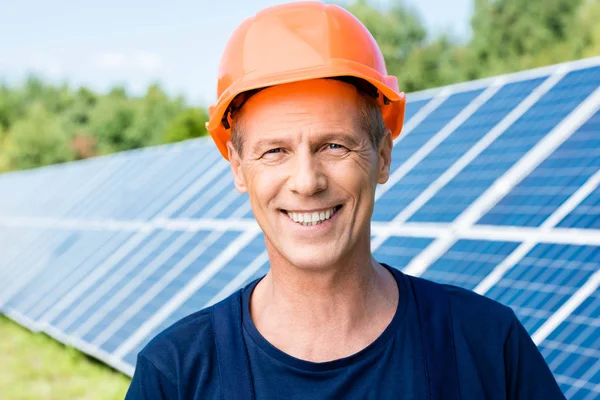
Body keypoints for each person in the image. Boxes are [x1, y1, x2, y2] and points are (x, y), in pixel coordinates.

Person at [125, 2, 565, 399]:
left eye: (334, 146)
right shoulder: (176, 376)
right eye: (274, 151)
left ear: (383, 158)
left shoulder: (487, 345)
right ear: (239, 169)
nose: (306, 181)